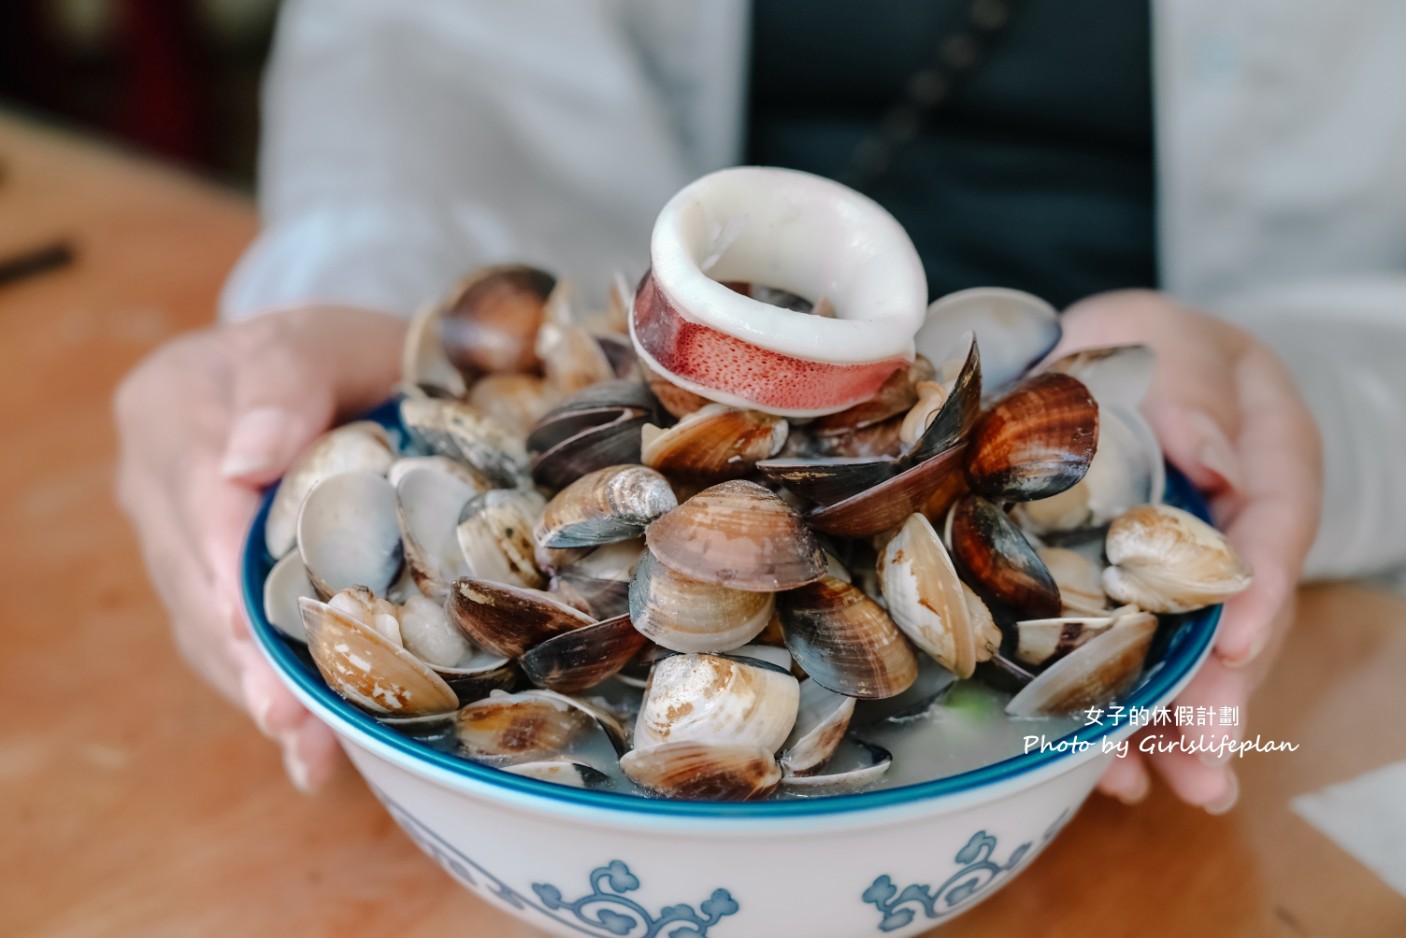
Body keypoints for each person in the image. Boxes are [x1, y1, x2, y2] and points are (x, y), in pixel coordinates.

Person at [116, 0, 1406, 810]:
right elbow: (429, 63)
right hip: (658, 362)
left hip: (1255, 509)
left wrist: (1310, 394)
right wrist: (365, 312)